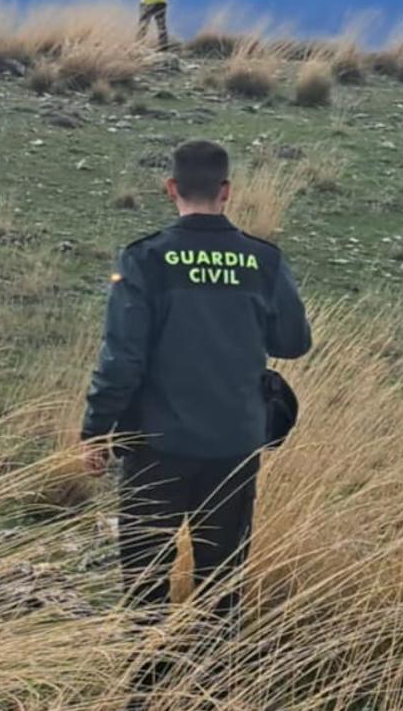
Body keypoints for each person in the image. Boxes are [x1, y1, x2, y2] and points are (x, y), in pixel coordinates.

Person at [80, 139, 311, 634]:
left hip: (154, 444)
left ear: (171, 189)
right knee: (222, 579)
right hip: (235, 442)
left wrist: (96, 430)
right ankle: (213, 674)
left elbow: (123, 359)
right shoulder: (263, 261)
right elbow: (293, 343)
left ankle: (145, 677)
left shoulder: (145, 259)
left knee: (144, 577)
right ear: (226, 190)